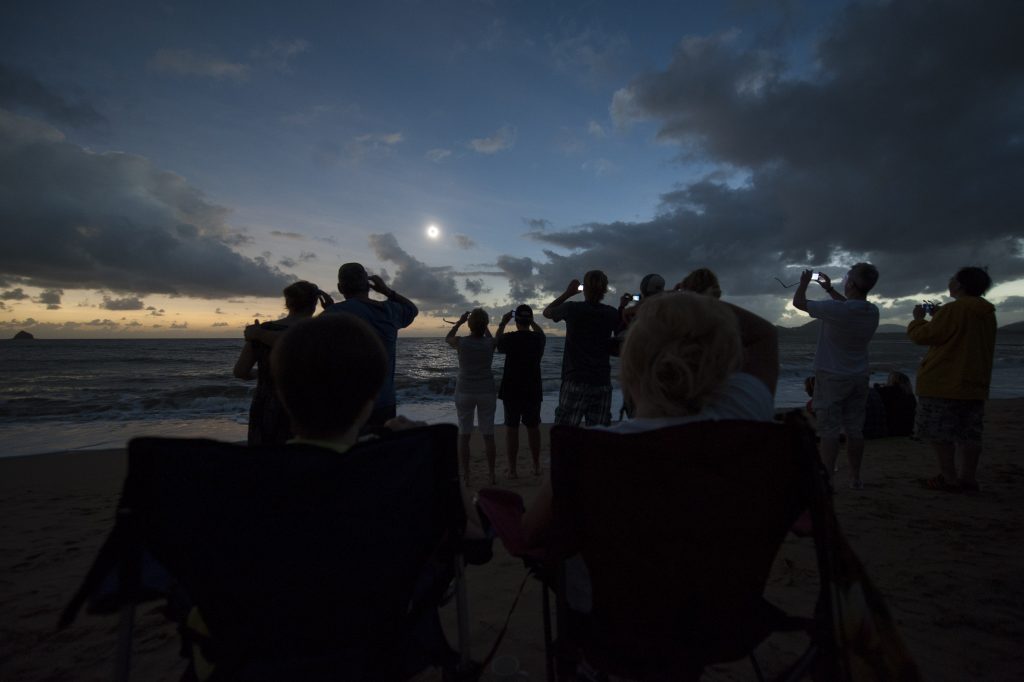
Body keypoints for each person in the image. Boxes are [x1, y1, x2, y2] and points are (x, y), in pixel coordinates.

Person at [524, 291, 778, 543]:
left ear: (631, 366)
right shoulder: (745, 410)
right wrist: (673, 300)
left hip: (620, 580)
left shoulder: (590, 451)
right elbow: (764, 334)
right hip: (727, 576)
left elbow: (530, 534)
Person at [908, 267, 997, 492]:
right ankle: (968, 478)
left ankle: (949, 478)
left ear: (959, 285)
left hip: (943, 382)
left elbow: (923, 336)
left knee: (939, 434)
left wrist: (918, 320)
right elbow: (962, 334)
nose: (949, 282)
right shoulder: (986, 311)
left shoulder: (955, 309)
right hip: (974, 382)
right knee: (970, 434)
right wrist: (940, 316)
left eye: (952, 279)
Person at [792, 263, 880, 490]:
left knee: (829, 430)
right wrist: (829, 290)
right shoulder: (871, 311)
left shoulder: (837, 310)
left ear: (850, 283)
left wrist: (803, 284)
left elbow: (798, 303)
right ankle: (855, 478)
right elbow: (849, 306)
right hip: (859, 376)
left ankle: (827, 478)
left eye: (848, 277)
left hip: (832, 377)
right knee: (854, 429)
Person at [233, 281, 332, 445]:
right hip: (307, 405)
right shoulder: (319, 331)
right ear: (315, 304)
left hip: (266, 405)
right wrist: (330, 310)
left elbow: (240, 371)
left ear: (287, 303)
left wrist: (264, 373)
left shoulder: (262, 330)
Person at [321, 263, 419, 426]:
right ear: (368, 285)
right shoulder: (389, 311)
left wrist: (330, 309)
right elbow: (411, 309)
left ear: (340, 288)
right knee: (380, 448)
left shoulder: (331, 315)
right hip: (384, 401)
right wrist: (387, 291)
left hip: (346, 403)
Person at [543, 271, 621, 427]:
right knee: (599, 436)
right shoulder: (612, 313)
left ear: (584, 289)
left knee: (565, 433)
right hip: (601, 382)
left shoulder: (572, 309)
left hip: (575, 380)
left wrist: (568, 293)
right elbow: (619, 345)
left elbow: (547, 312)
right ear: (604, 289)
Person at [446, 308, 497, 485]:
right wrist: (486, 326)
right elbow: (491, 339)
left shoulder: (461, 342)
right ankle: (491, 474)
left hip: (464, 390)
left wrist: (459, 322)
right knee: (488, 434)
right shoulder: (490, 343)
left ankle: (466, 475)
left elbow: (448, 338)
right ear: (485, 325)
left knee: (464, 434)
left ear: (469, 324)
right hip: (486, 391)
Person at [495, 304, 546, 477]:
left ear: (516, 321)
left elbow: (497, 343)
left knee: (512, 429)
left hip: (511, 389)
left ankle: (513, 469)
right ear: (530, 320)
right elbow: (542, 334)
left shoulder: (510, 338)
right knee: (533, 428)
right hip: (532, 388)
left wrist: (502, 323)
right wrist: (532, 322)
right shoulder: (538, 339)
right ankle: (537, 465)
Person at [874, 371, 917, 437]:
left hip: (891, 429)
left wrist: (877, 386)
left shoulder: (888, 391)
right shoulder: (911, 396)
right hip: (907, 430)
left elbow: (876, 393)